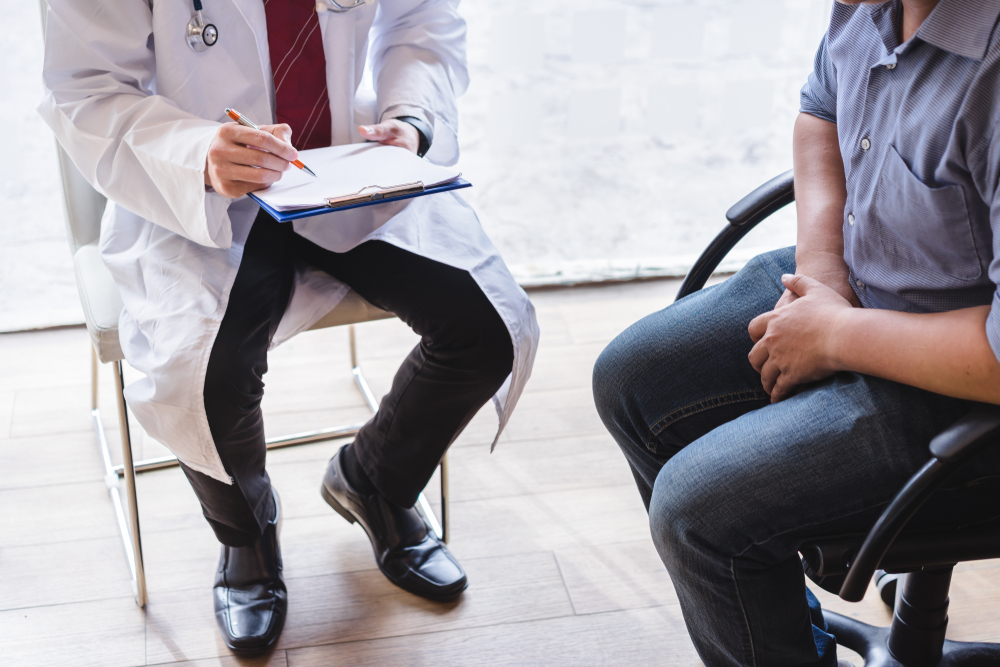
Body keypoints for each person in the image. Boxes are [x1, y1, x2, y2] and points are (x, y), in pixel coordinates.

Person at [40, 0, 538, 654]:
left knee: (489, 326)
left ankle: (375, 481)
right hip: (198, 187)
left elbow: (420, 18)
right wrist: (197, 155)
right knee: (205, 379)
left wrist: (411, 113)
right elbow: (87, 90)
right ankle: (246, 533)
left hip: (344, 158)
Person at [593, 1, 1000, 665]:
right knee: (632, 382)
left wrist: (837, 335)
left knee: (697, 512)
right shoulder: (870, 6)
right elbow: (822, 113)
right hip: (859, 276)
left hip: (962, 381)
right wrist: (822, 274)